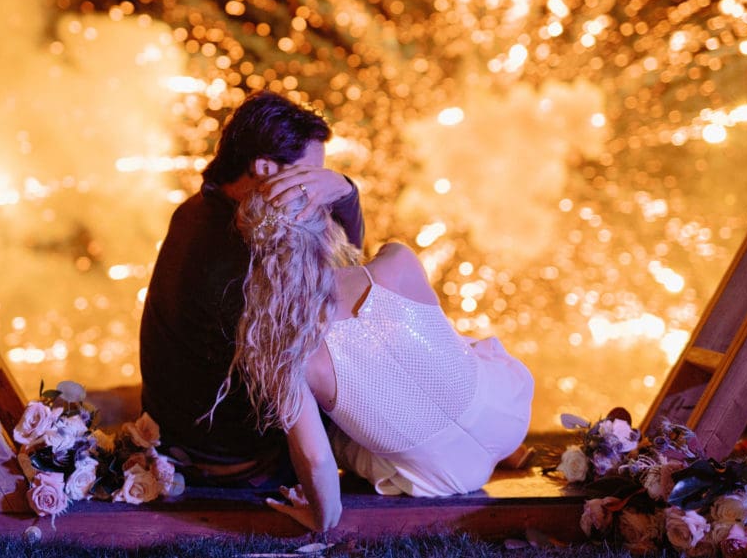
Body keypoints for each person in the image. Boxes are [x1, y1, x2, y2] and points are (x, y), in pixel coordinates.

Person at [222, 190, 534, 531]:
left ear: (258, 263)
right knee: (452, 344)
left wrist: (321, 518)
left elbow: (316, 458)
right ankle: (507, 449)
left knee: (337, 437)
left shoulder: (288, 354)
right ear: (327, 227)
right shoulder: (397, 261)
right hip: (507, 412)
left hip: (448, 474)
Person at [139, 90, 364, 488]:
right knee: (372, 357)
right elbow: (349, 284)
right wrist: (345, 192)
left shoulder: (199, 211)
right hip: (236, 459)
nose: (317, 191)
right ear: (263, 167)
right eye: (309, 177)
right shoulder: (243, 248)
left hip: (193, 442)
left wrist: (339, 187)